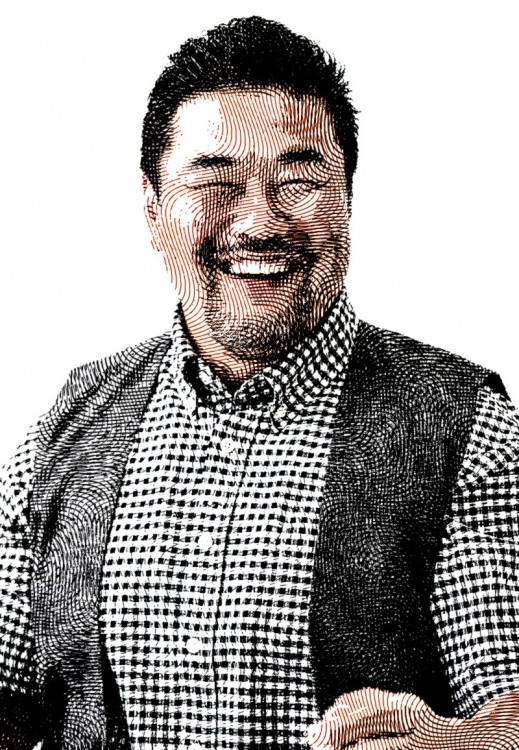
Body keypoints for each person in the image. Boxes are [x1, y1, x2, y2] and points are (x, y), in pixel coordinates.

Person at [1, 15, 519, 750]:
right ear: (151, 207)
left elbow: (509, 711)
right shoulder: (63, 431)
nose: (258, 222)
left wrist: (462, 741)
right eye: (214, 181)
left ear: (348, 200)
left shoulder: (467, 432)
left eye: (300, 182)